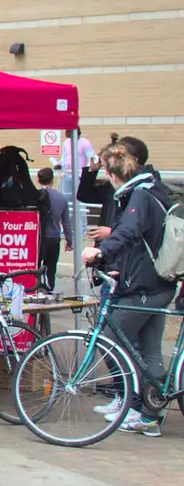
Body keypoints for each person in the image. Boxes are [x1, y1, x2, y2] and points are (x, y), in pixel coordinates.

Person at [84, 142, 174, 436]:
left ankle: (136, 403)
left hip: (144, 287)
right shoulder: (151, 188)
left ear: (112, 174)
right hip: (157, 283)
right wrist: (120, 267)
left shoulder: (140, 195)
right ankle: (149, 414)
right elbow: (143, 242)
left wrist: (101, 252)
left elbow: (129, 231)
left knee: (109, 339)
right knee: (149, 352)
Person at [36, 166, 72, 291]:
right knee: (51, 267)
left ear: (38, 180)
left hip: (38, 237)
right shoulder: (61, 198)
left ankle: (34, 288)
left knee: (35, 265)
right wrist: (69, 240)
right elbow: (66, 222)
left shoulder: (35, 197)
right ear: (52, 180)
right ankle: (49, 289)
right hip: (54, 237)